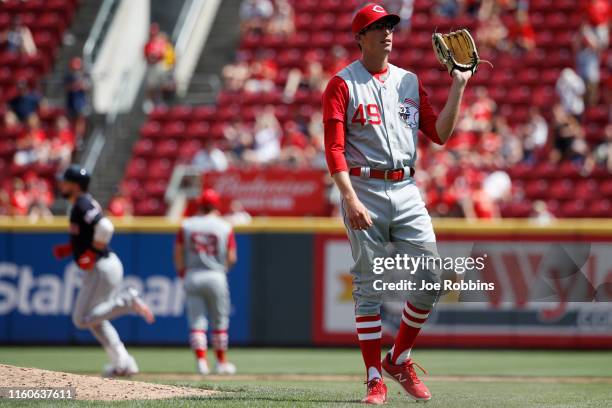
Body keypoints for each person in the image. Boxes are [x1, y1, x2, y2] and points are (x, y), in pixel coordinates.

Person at [322, 3, 473, 404]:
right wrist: (348, 197)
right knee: (368, 287)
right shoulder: (342, 84)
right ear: (360, 38)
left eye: (389, 24)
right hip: (364, 187)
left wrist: (458, 86)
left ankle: (399, 357)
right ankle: (374, 377)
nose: (387, 32)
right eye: (377, 27)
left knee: (433, 279)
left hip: (406, 188)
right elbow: (334, 149)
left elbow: (439, 134)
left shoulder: (408, 81)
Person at [53, 165, 155, 376]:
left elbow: (106, 227)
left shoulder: (81, 203)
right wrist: (71, 248)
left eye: (65, 181)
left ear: (75, 184)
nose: (62, 184)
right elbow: (90, 232)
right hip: (104, 266)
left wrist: (91, 251)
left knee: (81, 319)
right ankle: (124, 364)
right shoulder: (81, 203)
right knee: (96, 321)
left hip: (102, 266)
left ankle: (127, 301)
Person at [174, 189, 238, 375]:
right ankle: (221, 363)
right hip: (215, 274)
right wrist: (222, 269)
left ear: (199, 204)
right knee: (219, 321)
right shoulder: (225, 226)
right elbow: (232, 257)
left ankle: (201, 362)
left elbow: (178, 253)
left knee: (197, 322)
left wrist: (182, 272)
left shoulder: (187, 225)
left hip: (193, 274)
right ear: (216, 205)